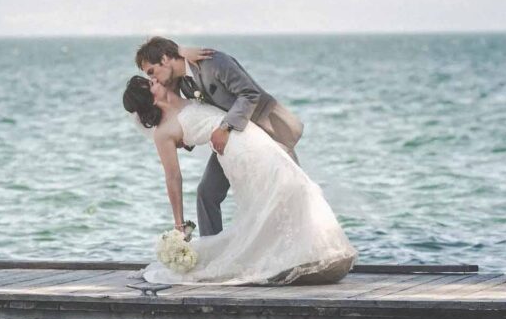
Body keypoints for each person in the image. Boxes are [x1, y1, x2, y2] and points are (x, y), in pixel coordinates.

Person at [122, 75, 357, 286]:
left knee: (292, 182)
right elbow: (173, 177)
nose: (156, 80)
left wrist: (187, 53)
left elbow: (179, 64)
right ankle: (285, 256)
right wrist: (178, 224)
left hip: (249, 134)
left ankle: (309, 250)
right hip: (235, 152)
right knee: (272, 194)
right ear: (149, 98)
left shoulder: (182, 94)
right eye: (150, 83)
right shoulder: (163, 132)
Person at [135, 37, 303, 237]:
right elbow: (190, 113)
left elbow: (250, 94)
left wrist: (225, 127)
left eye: (151, 71)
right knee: (206, 194)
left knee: (289, 188)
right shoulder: (184, 83)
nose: (153, 78)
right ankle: (211, 247)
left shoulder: (215, 62)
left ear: (164, 59)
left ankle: (294, 240)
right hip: (230, 141)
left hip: (264, 129)